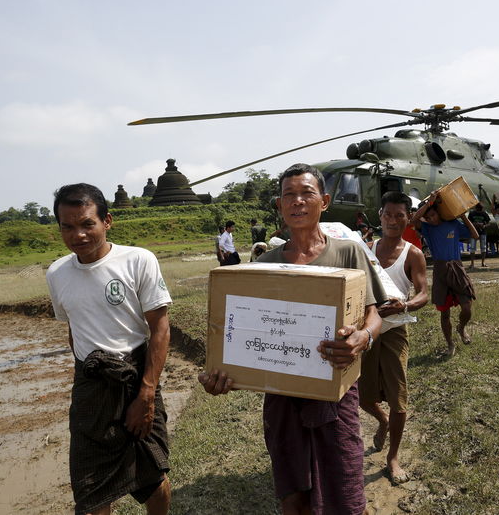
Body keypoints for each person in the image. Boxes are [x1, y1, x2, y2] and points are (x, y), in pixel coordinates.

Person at [199, 163, 387, 515]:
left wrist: (363, 337)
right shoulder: (264, 264)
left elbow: (373, 314)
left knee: (344, 490)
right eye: (289, 195)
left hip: (336, 395)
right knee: (293, 496)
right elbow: (241, 332)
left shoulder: (349, 252)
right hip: (281, 396)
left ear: (325, 201)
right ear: (279, 204)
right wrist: (221, 373)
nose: (297, 202)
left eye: (306, 193)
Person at [45, 183, 173, 515]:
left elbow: (159, 327)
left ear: (107, 221)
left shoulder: (138, 260)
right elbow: (74, 327)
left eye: (87, 223)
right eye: (68, 226)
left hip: (136, 377)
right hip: (91, 386)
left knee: (153, 479)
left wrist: (146, 394)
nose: (78, 234)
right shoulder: (57, 273)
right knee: (91, 494)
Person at [360, 191, 429, 486]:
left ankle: (393, 457)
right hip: (368, 330)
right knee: (364, 397)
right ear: (380, 216)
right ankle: (383, 421)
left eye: (400, 215)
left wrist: (406, 305)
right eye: (388, 214)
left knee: (399, 400)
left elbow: (425, 293)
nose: (392, 220)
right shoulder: (366, 249)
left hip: (395, 331)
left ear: (407, 218)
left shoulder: (412, 253)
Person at [409, 190, 479, 356]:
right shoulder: (427, 228)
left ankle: (461, 328)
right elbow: (413, 220)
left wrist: (463, 217)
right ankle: (450, 345)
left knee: (467, 308)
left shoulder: (453, 224)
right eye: (428, 217)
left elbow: (474, 235)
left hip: (457, 267)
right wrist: (428, 203)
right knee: (444, 312)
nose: (431, 219)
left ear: (438, 212)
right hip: (440, 271)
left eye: (433, 215)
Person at [467, 203, 490, 268]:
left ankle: (483, 262)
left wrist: (484, 225)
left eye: (480, 210)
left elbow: (489, 223)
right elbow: (468, 222)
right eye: (478, 210)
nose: (479, 211)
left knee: (483, 247)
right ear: (476, 208)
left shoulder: (484, 213)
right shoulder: (471, 213)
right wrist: (474, 224)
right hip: (473, 232)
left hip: (482, 232)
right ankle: (472, 263)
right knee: (472, 248)